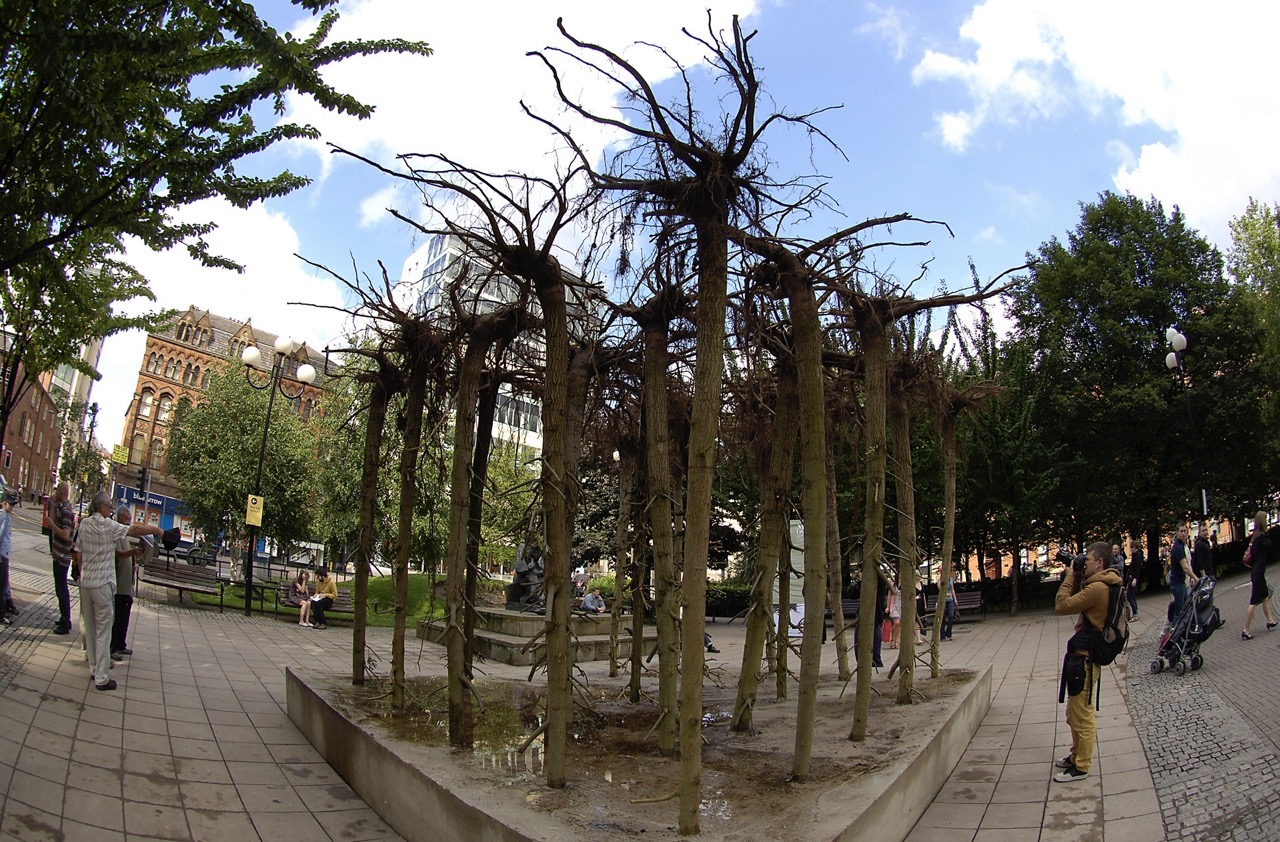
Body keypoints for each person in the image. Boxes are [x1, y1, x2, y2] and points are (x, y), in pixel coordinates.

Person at [75, 491, 164, 691]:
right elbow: (134, 530)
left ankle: (92, 667)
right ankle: (102, 676)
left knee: (90, 626)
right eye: (109, 506)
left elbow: (78, 553)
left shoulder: (84, 524)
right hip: (103, 583)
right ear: (102, 507)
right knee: (104, 630)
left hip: (86, 582)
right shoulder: (107, 525)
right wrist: (156, 530)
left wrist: (82, 574)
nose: (111, 510)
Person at [1053, 541, 1123, 782]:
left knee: (1082, 714)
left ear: (1100, 563)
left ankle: (1081, 766)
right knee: (1074, 712)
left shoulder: (1098, 589)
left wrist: (1070, 576)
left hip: (1085, 660)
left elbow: (1062, 605)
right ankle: (1075, 755)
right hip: (1082, 656)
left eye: (1089, 560)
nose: (1086, 562)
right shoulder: (1102, 584)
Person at [1241, 511, 1277, 640]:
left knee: (1265, 596)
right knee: (1254, 602)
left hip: (1256, 572)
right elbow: (1270, 547)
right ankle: (1245, 629)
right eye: (1266, 520)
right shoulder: (1261, 537)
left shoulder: (1254, 537)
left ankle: (1270, 620)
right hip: (1258, 573)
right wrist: (1268, 534)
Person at [48, 481, 76, 634]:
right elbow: (51, 520)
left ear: (61, 492)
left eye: (57, 490)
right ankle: (64, 617)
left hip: (62, 556)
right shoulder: (61, 508)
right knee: (60, 588)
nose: (55, 493)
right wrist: (52, 507)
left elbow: (65, 534)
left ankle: (65, 621)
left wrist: (53, 526)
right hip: (59, 554)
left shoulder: (66, 511)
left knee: (62, 589)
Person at [1167, 524, 1197, 622]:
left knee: (1184, 609)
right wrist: (1196, 578)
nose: (1183, 533)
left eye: (1185, 531)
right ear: (1177, 533)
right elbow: (1185, 567)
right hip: (1178, 584)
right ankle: (1174, 634)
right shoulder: (1178, 548)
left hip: (1181, 582)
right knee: (1179, 612)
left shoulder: (1182, 545)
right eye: (1181, 531)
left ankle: (1181, 632)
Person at [0, 491, 14, 627]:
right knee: (2, 586)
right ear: (4, 503)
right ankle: (1, 614)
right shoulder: (3, 516)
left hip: (4, 553)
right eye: (10, 504)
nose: (12, 507)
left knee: (3, 585)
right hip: (2, 554)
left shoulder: (6, 516)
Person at [1125, 538, 1144, 620]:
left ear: (1135, 547)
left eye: (1132, 547)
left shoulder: (1137, 555)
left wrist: (1135, 578)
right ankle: (1135, 612)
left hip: (1133, 577)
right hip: (1132, 577)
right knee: (1131, 595)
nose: (1131, 549)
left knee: (1130, 595)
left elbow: (1137, 568)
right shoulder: (1136, 555)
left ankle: (1135, 613)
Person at [940, 573, 957, 641]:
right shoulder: (940, 580)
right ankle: (943, 635)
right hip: (943, 601)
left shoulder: (951, 580)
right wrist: (946, 594)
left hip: (950, 600)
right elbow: (940, 590)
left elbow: (952, 589)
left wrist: (955, 599)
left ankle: (949, 633)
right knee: (942, 617)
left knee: (951, 616)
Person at [887, 578, 902, 649]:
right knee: (896, 622)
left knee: (900, 624)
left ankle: (896, 640)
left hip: (902, 606)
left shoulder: (906, 584)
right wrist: (888, 607)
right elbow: (889, 596)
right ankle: (893, 639)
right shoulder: (893, 584)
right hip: (894, 605)